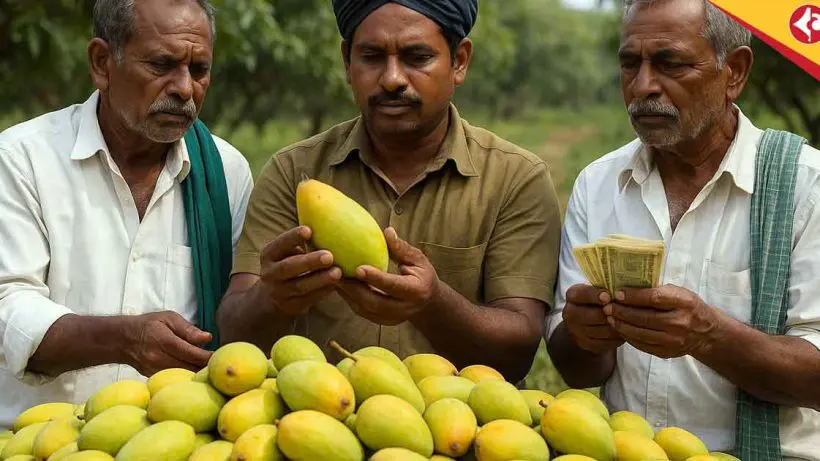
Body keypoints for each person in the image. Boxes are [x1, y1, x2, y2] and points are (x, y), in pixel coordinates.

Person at [217, 0, 562, 383]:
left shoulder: (516, 178)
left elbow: (518, 351)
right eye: (372, 56)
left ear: (459, 61)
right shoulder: (294, 173)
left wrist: (433, 303)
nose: (392, 79)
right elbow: (234, 332)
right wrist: (273, 298)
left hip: (460, 435)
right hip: (318, 427)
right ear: (348, 61)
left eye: (417, 57)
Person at [547, 0, 820, 458]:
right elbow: (577, 370)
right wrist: (583, 333)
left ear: (734, 71)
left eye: (669, 63)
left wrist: (708, 335)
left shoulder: (806, 187)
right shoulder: (598, 184)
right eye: (629, 63)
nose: (642, 86)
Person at [0, 0, 253, 427]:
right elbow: (8, 306)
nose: (185, 89)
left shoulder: (226, 173)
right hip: (42, 443)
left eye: (199, 70)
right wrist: (122, 338)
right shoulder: (23, 159)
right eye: (162, 64)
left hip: (174, 446)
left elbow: (239, 312)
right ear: (102, 63)